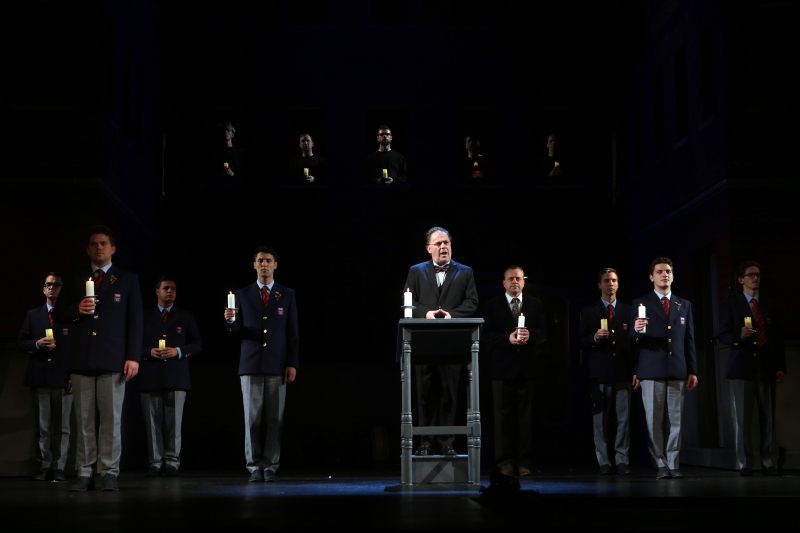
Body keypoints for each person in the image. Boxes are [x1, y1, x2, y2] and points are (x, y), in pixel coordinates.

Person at [53, 225, 143, 491]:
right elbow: (58, 314)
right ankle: (84, 471)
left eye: (103, 243)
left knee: (111, 419)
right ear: (88, 249)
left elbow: (135, 321)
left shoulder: (127, 279)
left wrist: (133, 357)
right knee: (83, 420)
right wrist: (76, 309)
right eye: (94, 244)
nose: (99, 247)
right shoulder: (75, 278)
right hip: (81, 358)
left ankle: (109, 471)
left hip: (113, 358)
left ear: (113, 248)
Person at [224, 246, 298, 482]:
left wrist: (292, 363)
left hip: (277, 365)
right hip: (251, 364)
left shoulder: (287, 294)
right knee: (252, 419)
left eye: (268, 260)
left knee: (275, 419)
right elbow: (236, 331)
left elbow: (292, 333)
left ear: (275, 265)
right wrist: (231, 322)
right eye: (260, 261)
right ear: (254, 265)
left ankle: (271, 465)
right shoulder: (243, 293)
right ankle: (254, 466)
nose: (264, 264)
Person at [404, 227, 478, 456]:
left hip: (452, 343)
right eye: (438, 244)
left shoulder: (465, 272)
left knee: (449, 394)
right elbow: (409, 302)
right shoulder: (416, 271)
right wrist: (425, 313)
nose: (443, 247)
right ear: (429, 249)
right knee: (425, 395)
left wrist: (451, 315)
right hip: (424, 343)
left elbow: (472, 302)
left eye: (446, 242)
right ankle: (425, 443)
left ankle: (447, 443)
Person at [630, 257, 697, 479]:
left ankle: (673, 462)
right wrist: (636, 330)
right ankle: (659, 463)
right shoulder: (641, 303)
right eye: (659, 272)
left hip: (677, 369)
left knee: (676, 420)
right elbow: (631, 341)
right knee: (653, 421)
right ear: (651, 277)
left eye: (667, 271)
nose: (664, 275)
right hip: (651, 370)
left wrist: (692, 370)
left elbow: (689, 340)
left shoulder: (683, 304)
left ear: (673, 276)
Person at [719, 261, 786, 476]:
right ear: (741, 280)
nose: (755, 278)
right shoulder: (732, 305)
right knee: (743, 419)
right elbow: (723, 335)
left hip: (766, 367)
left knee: (768, 417)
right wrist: (739, 336)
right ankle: (745, 463)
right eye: (751, 275)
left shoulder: (768, 305)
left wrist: (780, 367)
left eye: (758, 275)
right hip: (742, 366)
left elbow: (777, 339)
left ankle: (768, 461)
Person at [482, 266, 545, 476]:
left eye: (518, 278)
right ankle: (505, 463)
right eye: (511, 279)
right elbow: (485, 335)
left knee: (526, 419)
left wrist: (530, 336)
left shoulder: (535, 304)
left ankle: (524, 462)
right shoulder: (492, 305)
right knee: (502, 419)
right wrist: (507, 339)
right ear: (504, 283)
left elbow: (544, 333)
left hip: (527, 369)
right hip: (502, 369)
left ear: (524, 282)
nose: (515, 282)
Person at [139, 275, 202, 477]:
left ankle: (172, 460)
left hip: (176, 377)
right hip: (151, 376)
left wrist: (178, 351)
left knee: (174, 423)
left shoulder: (185, 316)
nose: (170, 291)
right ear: (157, 291)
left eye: (173, 288)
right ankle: (155, 461)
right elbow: (133, 344)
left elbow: (197, 344)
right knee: (152, 423)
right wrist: (149, 352)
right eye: (166, 288)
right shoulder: (144, 316)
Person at [17, 273, 73, 482]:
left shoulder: (70, 316)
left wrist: (73, 376)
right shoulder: (33, 315)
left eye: (56, 284)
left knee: (62, 428)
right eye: (48, 284)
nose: (52, 287)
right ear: (43, 289)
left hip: (62, 378)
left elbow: (76, 348)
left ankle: (59, 467)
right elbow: (21, 342)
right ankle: (44, 465)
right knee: (43, 427)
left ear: (61, 289)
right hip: (39, 377)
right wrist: (37, 344)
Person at [579, 268, 634, 475]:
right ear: (599, 285)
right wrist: (594, 337)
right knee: (600, 420)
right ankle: (603, 461)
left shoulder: (629, 310)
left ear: (618, 284)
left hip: (623, 371)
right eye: (606, 280)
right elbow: (580, 341)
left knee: (623, 419)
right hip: (600, 373)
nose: (610, 284)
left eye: (614, 280)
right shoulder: (590, 311)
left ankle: (622, 459)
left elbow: (633, 342)